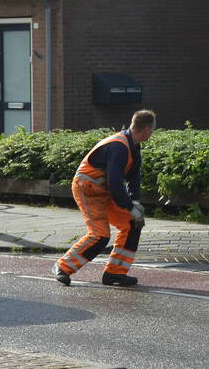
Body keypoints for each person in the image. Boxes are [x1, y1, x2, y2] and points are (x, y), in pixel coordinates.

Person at [53, 109, 156, 287]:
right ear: (146, 129)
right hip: (88, 189)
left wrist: (135, 202)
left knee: (133, 224)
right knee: (99, 235)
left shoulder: (132, 146)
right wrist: (130, 207)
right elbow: (115, 183)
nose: (152, 133)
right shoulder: (119, 146)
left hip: (104, 191)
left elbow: (133, 177)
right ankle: (63, 267)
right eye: (152, 130)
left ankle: (115, 273)